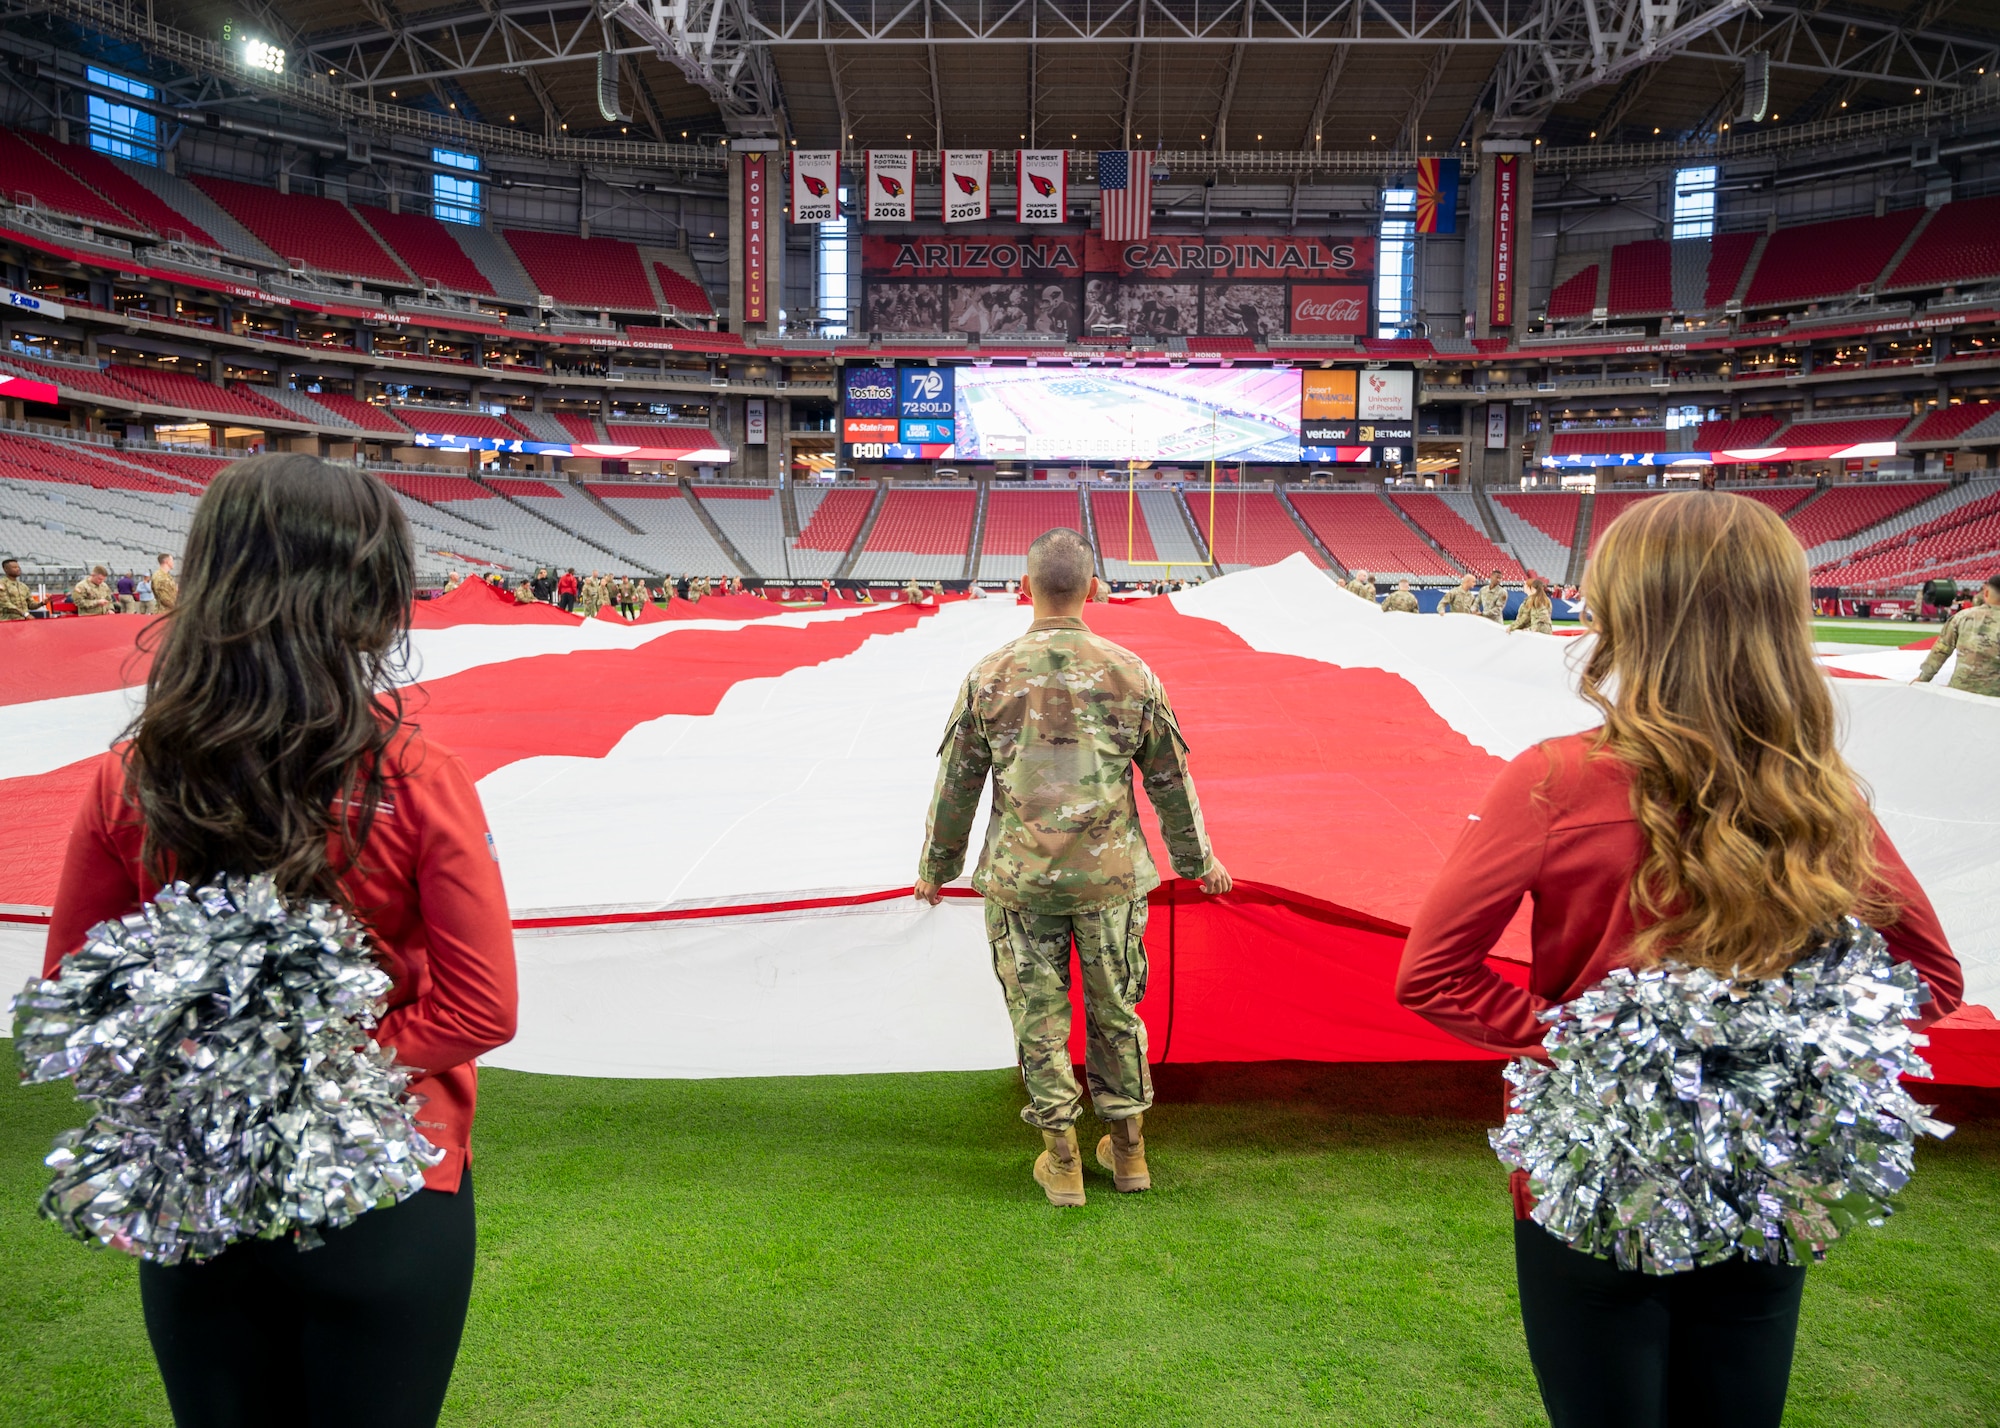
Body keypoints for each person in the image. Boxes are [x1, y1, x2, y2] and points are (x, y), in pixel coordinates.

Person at [1394, 492, 1962, 1428]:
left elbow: (1435, 974)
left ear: (1626, 618)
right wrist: (1768, 1060)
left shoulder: (1558, 778)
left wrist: (1592, 1050)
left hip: (1592, 1174)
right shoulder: (1823, 796)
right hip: (1765, 1175)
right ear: (1781, 619)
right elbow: (1931, 984)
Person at [43, 453, 518, 1428]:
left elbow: (79, 991)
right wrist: (328, 1077)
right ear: (372, 600)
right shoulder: (418, 775)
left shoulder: (128, 780)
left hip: (201, 1178)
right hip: (387, 1182)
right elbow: (481, 1005)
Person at [915, 528, 1230, 1207]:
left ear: (1024, 589)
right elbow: (1171, 779)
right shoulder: (1130, 671)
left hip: (1022, 883)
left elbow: (957, 787)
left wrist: (935, 870)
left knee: (1039, 1014)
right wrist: (1197, 861)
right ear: (1093, 589)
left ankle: (1060, 1159)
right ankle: (1129, 1153)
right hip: (1110, 881)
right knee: (1116, 1010)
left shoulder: (989, 674)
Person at [1913, 573, 1999, 697]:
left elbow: (1940, 651)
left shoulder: (1962, 617)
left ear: (1986, 592)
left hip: (1959, 692)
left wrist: (1923, 678)